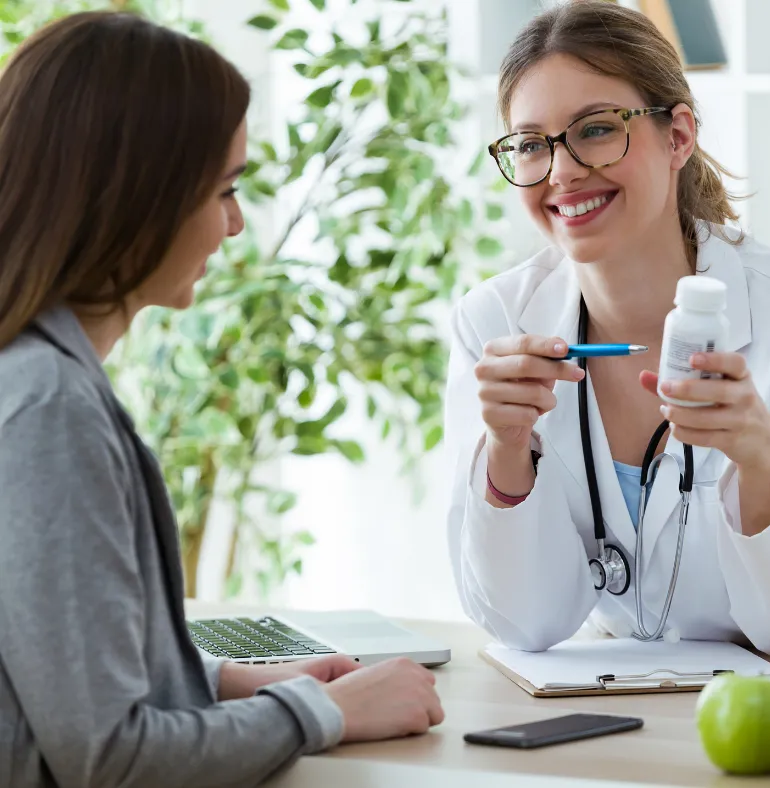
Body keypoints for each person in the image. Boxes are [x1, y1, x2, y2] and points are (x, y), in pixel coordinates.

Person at [0, 13, 443, 788]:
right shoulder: (47, 407)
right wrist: (324, 712)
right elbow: (109, 758)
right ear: (136, 198)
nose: (234, 225)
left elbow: (55, 666)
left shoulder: (41, 377)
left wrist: (226, 682)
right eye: (225, 190)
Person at [444, 0, 770, 660]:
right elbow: (524, 625)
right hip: (655, 697)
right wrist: (507, 454)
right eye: (532, 144)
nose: (561, 171)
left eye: (595, 130)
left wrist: (760, 459)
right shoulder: (494, 325)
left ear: (678, 136)